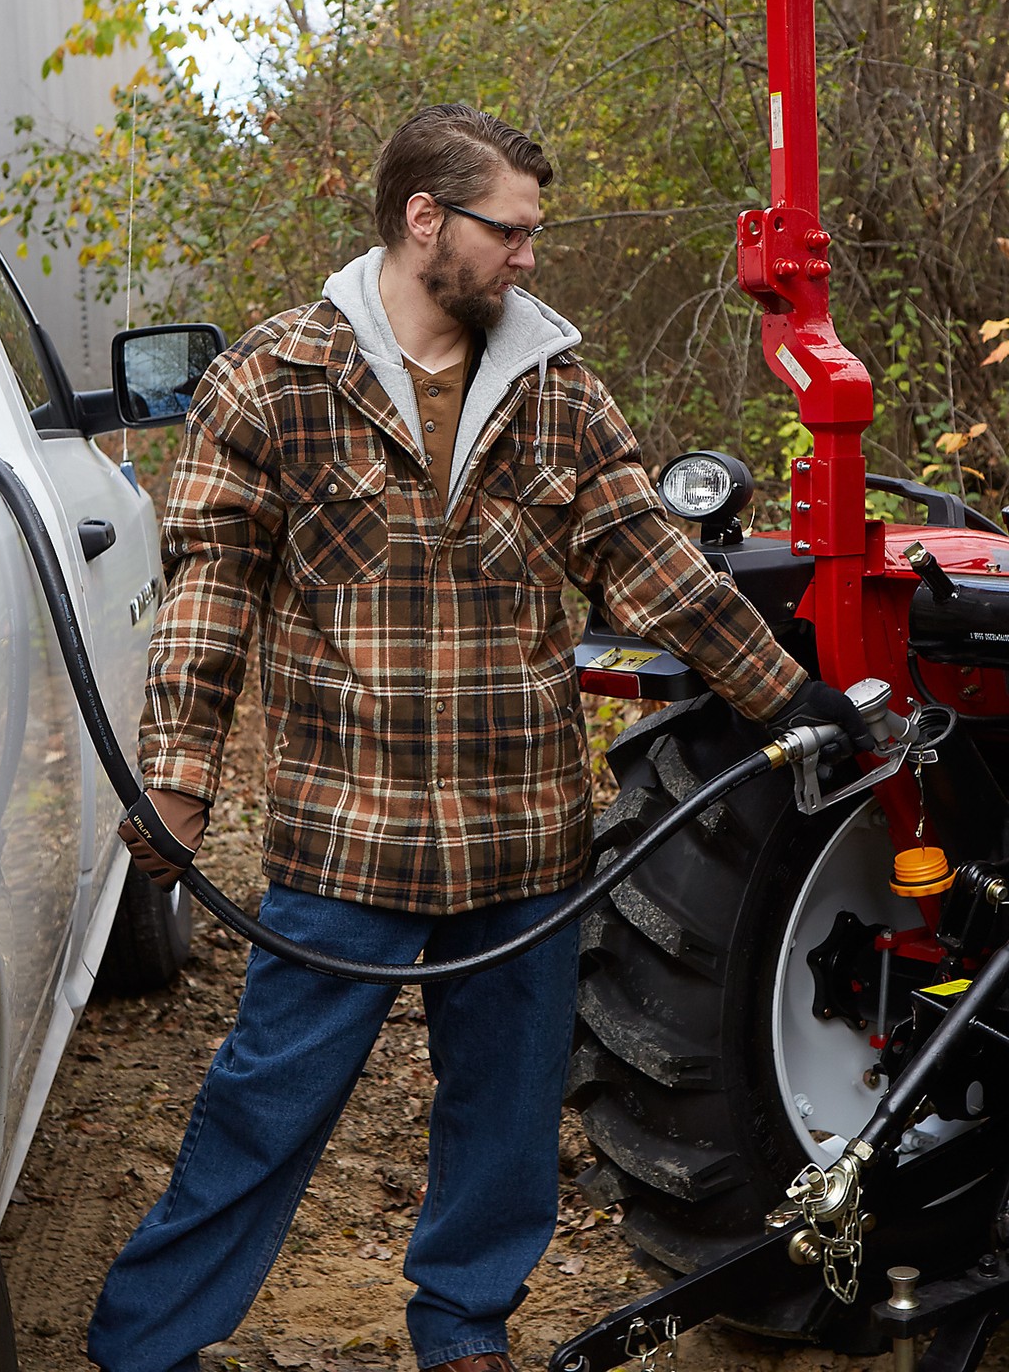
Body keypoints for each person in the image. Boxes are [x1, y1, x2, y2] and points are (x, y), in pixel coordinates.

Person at [87, 104, 872, 1372]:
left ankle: (462, 1326)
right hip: (347, 840)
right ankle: (142, 1343)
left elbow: (650, 564)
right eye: (509, 229)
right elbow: (209, 599)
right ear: (422, 220)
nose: (526, 255)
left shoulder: (556, 387)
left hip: (524, 839)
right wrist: (175, 784)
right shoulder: (276, 378)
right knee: (263, 1107)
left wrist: (788, 696)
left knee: (505, 1119)